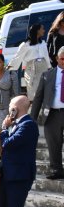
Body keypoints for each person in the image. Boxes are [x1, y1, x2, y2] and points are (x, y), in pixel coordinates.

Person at [31, 46, 64, 180]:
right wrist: (32, 118)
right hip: (52, 114)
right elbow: (38, 97)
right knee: (53, 143)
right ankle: (56, 170)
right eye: (62, 58)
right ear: (57, 59)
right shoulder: (47, 75)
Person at [8, 23, 51, 102]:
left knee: (44, 90)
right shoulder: (25, 45)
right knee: (34, 91)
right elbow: (18, 57)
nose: (44, 30)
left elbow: (46, 56)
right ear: (37, 31)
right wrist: (9, 68)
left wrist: (49, 67)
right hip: (32, 69)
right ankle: (34, 109)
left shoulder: (43, 43)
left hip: (43, 68)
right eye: (42, 28)